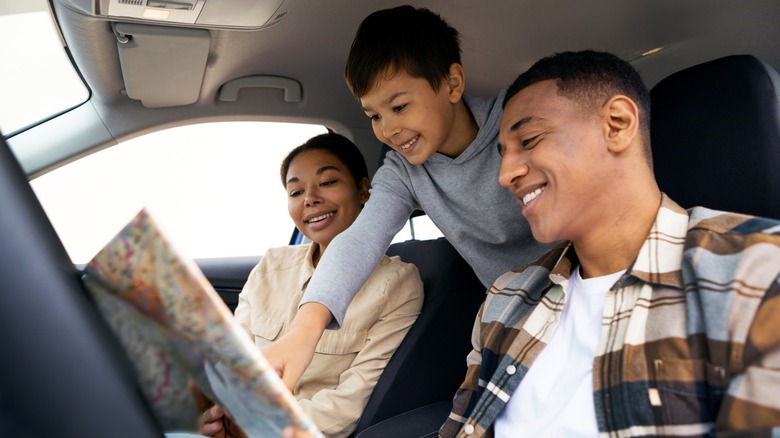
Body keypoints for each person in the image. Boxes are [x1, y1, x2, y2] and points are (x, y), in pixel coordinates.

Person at [439, 50, 780, 437]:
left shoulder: (757, 272)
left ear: (617, 125)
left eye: (529, 140)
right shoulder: (505, 299)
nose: (505, 175)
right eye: (503, 154)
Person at [263, 4, 554, 391]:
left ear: (452, 84)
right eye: (374, 116)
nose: (389, 130)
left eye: (399, 106)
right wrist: (305, 329)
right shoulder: (405, 171)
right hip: (510, 316)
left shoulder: (514, 124)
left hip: (576, 290)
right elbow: (360, 240)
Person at [198, 132, 423, 438]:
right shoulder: (271, 267)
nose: (310, 198)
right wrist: (211, 417)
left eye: (328, 182)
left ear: (363, 191)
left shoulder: (397, 285)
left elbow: (346, 408)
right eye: (296, 192)